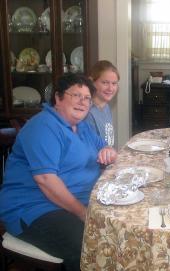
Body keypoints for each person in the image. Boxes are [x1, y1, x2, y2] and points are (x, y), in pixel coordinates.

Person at [0, 74, 118, 271]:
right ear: (58, 98)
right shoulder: (43, 126)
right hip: (34, 208)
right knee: (90, 244)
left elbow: (107, 148)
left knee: (117, 230)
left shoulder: (82, 126)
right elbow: (46, 180)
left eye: (87, 98)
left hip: (73, 202)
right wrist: (83, 213)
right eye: (76, 95)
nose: (82, 102)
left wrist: (109, 151)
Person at [85, 60, 120, 146]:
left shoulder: (106, 107)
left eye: (114, 83)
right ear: (91, 82)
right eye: (105, 83)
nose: (110, 88)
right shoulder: (87, 113)